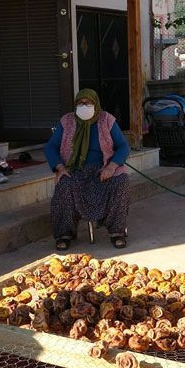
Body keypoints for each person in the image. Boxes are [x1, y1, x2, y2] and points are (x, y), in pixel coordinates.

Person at [45, 89, 131, 251]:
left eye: (88, 103)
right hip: (75, 169)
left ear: (96, 103)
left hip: (103, 169)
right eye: (80, 103)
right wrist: (60, 168)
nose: (84, 106)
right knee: (64, 184)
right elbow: (51, 147)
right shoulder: (67, 121)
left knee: (121, 181)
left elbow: (123, 146)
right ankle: (65, 233)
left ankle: (117, 231)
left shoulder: (106, 120)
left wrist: (112, 167)